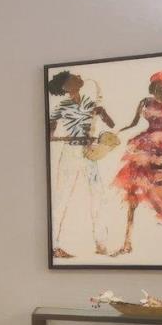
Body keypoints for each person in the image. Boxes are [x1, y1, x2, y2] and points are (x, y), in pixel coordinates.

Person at [110, 70, 162, 259]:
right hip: (144, 146)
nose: (159, 89)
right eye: (157, 86)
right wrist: (120, 131)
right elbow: (134, 123)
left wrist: (161, 136)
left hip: (159, 146)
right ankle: (126, 243)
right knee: (133, 194)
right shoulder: (144, 102)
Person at [46, 70, 113, 259]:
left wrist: (102, 113)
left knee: (98, 195)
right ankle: (55, 246)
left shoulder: (90, 103)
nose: (78, 77)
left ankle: (101, 244)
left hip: (88, 153)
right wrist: (71, 137)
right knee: (61, 198)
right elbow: (49, 137)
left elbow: (111, 123)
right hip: (71, 152)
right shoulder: (61, 107)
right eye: (73, 78)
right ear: (67, 87)